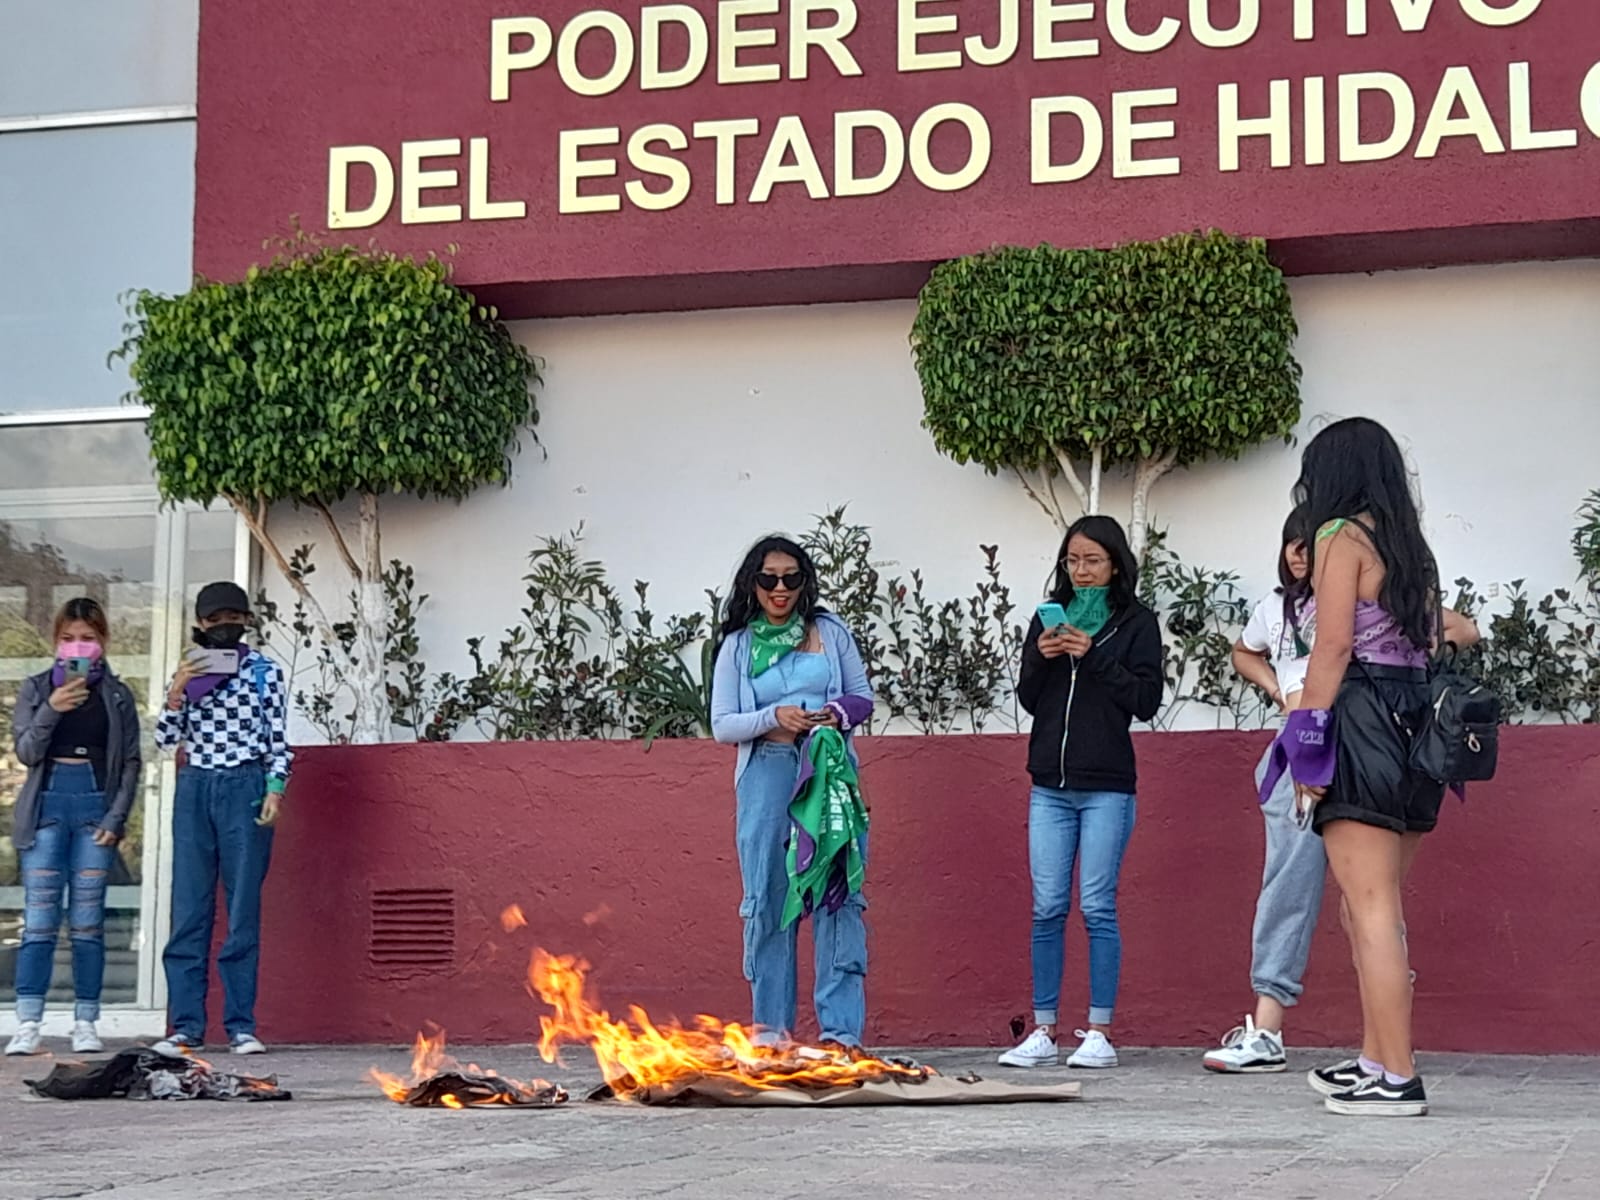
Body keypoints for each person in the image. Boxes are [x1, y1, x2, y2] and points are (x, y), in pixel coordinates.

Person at [1207, 508, 1481, 1076]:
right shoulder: (1292, 603)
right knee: (1327, 892)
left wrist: (1309, 728)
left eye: (1310, 544)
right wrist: (1283, 694)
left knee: (1367, 909)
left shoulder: (1356, 564)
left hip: (1346, 736)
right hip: (1369, 738)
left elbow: (1340, 651)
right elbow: (1245, 651)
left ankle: (1389, 1063)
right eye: (1292, 545)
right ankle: (1354, 1049)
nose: (1302, 554)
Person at [1279, 416, 1453, 1116]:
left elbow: (1333, 647)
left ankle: (1398, 1076)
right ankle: (1376, 1058)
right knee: (1367, 909)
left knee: (1372, 908)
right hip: (1420, 728)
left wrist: (1306, 744)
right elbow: (1435, 636)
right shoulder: (1411, 546)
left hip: (1362, 720)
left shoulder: (1337, 538)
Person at [999, 515, 1164, 1070]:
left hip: (1107, 789)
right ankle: (1042, 1029)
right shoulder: (1048, 618)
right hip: (1049, 785)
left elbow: (1145, 700)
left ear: (1115, 564)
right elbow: (1028, 698)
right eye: (1072, 560)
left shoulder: (1136, 623)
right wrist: (1043, 659)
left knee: (1096, 906)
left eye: (1092, 560)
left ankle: (1099, 1031)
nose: (1081, 570)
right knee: (1047, 907)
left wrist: (1092, 655)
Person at [709, 535, 874, 1051]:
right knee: (769, 897)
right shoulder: (737, 646)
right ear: (752, 585)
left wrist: (834, 716)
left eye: (790, 578)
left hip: (827, 769)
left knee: (837, 896)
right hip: (766, 770)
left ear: (805, 582)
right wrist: (773, 717)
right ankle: (770, 1034)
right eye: (768, 579)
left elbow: (862, 697)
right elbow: (722, 724)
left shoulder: (829, 631)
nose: (780, 589)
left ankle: (839, 1034)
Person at [152, 581, 291, 1057]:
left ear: (247, 620)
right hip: (196, 785)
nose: (224, 625)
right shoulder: (189, 671)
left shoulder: (264, 672)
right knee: (189, 907)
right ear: (200, 624)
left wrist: (275, 788)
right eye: (215, 619)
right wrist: (176, 692)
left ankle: (240, 1025)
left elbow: (277, 739)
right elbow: (165, 739)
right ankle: (186, 1026)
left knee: (242, 909)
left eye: (234, 616)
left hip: (245, 785)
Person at [5, 598, 142, 1057]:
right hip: (45, 807)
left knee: (87, 924)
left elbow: (129, 763)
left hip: (93, 809)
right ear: (55, 642)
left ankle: (86, 1021)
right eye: (68, 639)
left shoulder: (118, 695)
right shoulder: (35, 687)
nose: (77, 647)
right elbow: (25, 751)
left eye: (87, 638)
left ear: (102, 642)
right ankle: (27, 1023)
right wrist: (53, 706)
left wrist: (115, 818)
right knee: (39, 922)